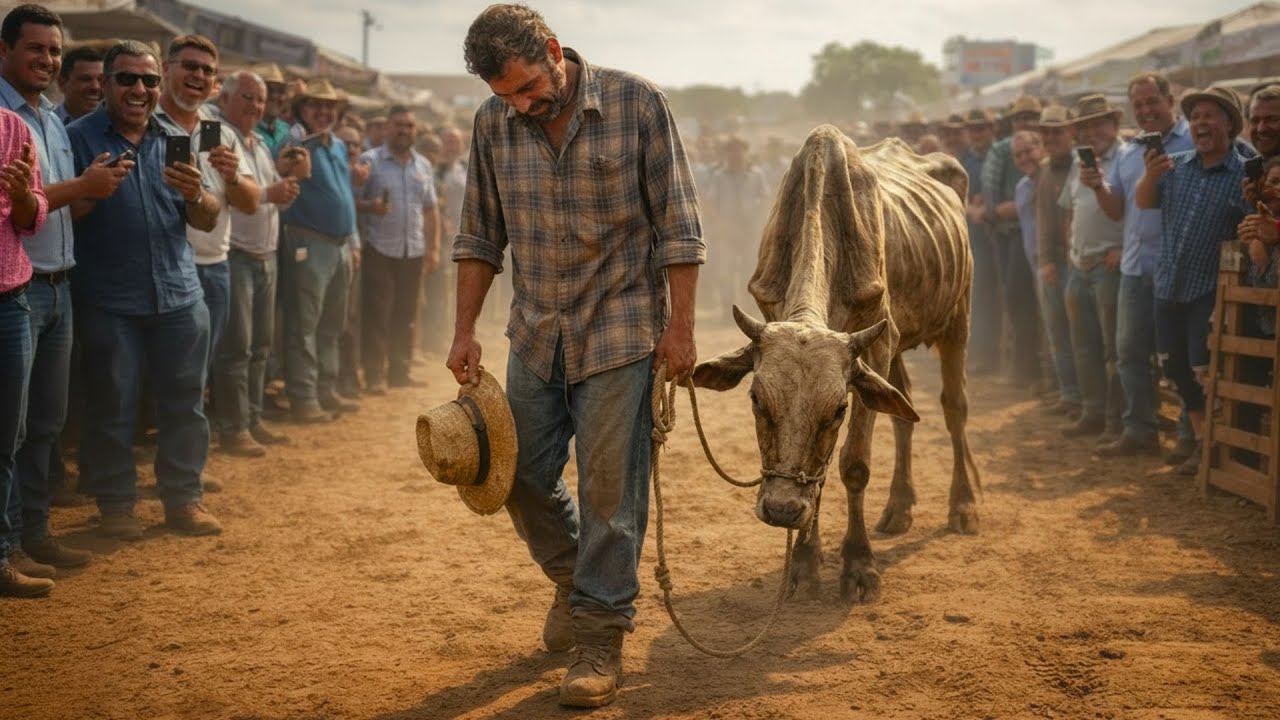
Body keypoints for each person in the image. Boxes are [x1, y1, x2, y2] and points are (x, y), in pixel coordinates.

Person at [449, 4, 703, 707]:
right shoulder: (492, 126)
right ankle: (575, 580)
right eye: (507, 97)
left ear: (555, 50)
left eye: (530, 87)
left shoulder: (636, 103)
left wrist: (680, 330)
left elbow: (679, 228)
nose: (524, 106)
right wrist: (464, 329)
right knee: (515, 473)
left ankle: (600, 633)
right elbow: (478, 235)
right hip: (535, 332)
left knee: (609, 493)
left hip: (622, 331)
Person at [66, 40, 224, 538]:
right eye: (127, 79)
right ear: (106, 83)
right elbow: (61, 215)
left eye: (149, 80)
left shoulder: (175, 137)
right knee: (113, 405)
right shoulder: (77, 137)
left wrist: (196, 192)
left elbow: (207, 215)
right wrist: (90, 190)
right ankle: (115, 507)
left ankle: (184, 500)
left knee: (185, 403)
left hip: (179, 295)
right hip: (109, 299)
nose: (140, 89)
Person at [1, 3, 130, 576]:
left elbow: (55, 204)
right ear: (4, 50)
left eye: (54, 50)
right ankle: (6, 548)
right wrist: (83, 184)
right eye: (37, 49)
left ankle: (34, 534)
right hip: (18, 287)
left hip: (59, 282)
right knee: (11, 429)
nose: (48, 59)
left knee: (45, 426)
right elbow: (16, 205)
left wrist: (96, 188)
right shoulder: (5, 116)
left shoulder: (50, 117)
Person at [1137, 87, 1250, 477]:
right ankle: (1202, 443)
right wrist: (1150, 175)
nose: (1201, 123)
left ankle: (1212, 450)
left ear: (1230, 124)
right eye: (1196, 116)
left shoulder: (1242, 173)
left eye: (1210, 116)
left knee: (1204, 369)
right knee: (1175, 371)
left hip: (1208, 289)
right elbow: (1144, 202)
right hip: (1168, 284)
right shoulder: (1176, 164)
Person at [1084, 73, 1195, 459]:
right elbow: (1117, 211)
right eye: (1140, 105)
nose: (1147, 110)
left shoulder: (1194, 141)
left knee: (1178, 357)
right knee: (1128, 352)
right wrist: (1097, 186)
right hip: (1134, 267)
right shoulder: (1130, 152)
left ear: (1170, 100)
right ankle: (1140, 429)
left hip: (1180, 268)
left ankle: (1188, 435)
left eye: (1153, 102)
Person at [153, 35, 259, 429]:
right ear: (166, 69)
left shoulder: (220, 132)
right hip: (160, 267)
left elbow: (249, 201)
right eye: (189, 66)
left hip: (214, 267)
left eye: (207, 71)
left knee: (198, 373)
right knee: (149, 374)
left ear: (215, 82)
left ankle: (182, 455)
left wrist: (232, 177)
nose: (198, 76)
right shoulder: (147, 123)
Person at [212, 70, 298, 455]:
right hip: (237, 253)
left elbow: (269, 196)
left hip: (265, 254)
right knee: (237, 347)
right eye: (247, 97)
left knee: (261, 345)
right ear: (225, 98)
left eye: (260, 100)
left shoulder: (260, 143)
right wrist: (271, 192)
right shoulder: (219, 135)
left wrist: (285, 189)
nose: (256, 106)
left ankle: (252, 419)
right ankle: (233, 427)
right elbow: (237, 193)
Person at [278, 79, 360, 423]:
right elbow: (284, 171)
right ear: (302, 109)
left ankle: (326, 388)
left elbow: (345, 195)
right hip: (308, 243)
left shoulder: (337, 145)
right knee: (305, 324)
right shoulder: (296, 142)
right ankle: (304, 396)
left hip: (339, 246)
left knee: (331, 324)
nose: (324, 112)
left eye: (330, 107)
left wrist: (353, 242)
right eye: (316, 106)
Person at [0, 105, 50, 597]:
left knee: (6, 439)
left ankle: (1, 554)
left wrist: (19, 195)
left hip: (11, 299)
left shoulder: (14, 127)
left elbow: (32, 217)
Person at [357, 106, 440, 393]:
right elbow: (353, 202)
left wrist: (433, 249)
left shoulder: (423, 166)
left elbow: (430, 210)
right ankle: (374, 376)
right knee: (378, 314)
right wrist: (371, 208)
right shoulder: (370, 161)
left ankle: (399, 373)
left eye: (409, 126)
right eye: (399, 125)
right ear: (388, 128)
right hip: (378, 248)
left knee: (406, 315)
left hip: (413, 250)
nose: (404, 131)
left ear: (415, 131)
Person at [1058, 94, 1125, 442]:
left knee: (1113, 349)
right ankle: (1093, 412)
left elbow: (1139, 213)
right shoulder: (1076, 162)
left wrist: (1124, 246)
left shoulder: (1127, 157)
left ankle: (1115, 421)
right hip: (1079, 264)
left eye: (1098, 123)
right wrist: (1072, 248)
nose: (1091, 132)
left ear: (1114, 124)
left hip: (1109, 265)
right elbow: (1069, 211)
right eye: (1084, 126)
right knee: (1083, 345)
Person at [982, 95, 1044, 386]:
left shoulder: (1038, 155)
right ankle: (1024, 369)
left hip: (1028, 236)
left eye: (1032, 116)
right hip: (1012, 235)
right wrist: (996, 211)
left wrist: (996, 210)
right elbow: (1000, 198)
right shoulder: (1009, 153)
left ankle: (1029, 371)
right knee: (1018, 301)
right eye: (1021, 118)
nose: (1026, 122)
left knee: (1026, 302)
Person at [1034, 104, 1081, 418]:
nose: (1051, 137)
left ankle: (1087, 400)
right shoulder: (1046, 167)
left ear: (1071, 133)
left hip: (1078, 262)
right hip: (1054, 265)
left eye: (1057, 131)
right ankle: (1069, 394)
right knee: (1058, 333)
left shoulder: (1081, 165)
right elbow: (1042, 220)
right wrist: (1046, 260)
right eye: (1046, 132)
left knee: (1082, 335)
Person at [961, 108, 999, 374]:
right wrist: (974, 210)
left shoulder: (1001, 155)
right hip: (976, 237)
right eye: (973, 129)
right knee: (981, 296)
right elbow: (958, 195)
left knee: (1004, 297)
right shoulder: (964, 160)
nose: (977, 134)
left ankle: (996, 354)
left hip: (1002, 233)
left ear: (991, 129)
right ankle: (982, 354)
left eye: (981, 128)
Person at [54, 45, 101, 124]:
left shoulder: (119, 127)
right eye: (86, 79)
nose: (96, 87)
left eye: (101, 80)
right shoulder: (45, 125)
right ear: (62, 84)